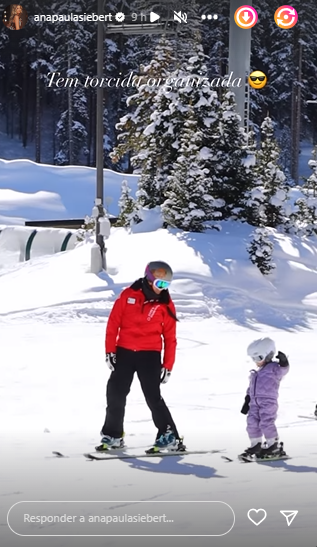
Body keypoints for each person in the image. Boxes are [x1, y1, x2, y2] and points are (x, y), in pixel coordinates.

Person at [97, 260, 182, 452]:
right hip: (124, 352)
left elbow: (170, 337)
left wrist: (168, 365)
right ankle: (113, 435)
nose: (163, 289)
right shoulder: (129, 295)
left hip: (149, 355)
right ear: (149, 279)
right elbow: (113, 324)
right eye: (160, 284)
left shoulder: (165, 304)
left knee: (153, 397)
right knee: (115, 393)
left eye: (166, 285)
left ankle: (169, 436)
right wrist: (110, 350)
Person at [240, 337, 289, 458]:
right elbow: (251, 387)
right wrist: (247, 400)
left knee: (266, 422)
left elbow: (284, 371)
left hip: (268, 401)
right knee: (252, 423)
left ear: (268, 355)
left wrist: (284, 362)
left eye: (258, 358)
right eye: (253, 358)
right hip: (254, 402)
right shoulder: (256, 372)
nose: (256, 361)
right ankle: (255, 444)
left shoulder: (274, 368)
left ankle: (273, 446)